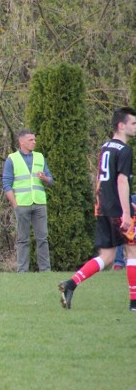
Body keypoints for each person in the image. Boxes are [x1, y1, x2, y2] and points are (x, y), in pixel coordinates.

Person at [59, 107, 136, 312]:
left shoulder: (105, 147)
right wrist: (126, 212)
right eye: (133, 123)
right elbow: (121, 181)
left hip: (102, 207)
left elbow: (105, 180)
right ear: (121, 125)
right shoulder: (125, 150)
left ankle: (71, 284)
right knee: (133, 252)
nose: (135, 127)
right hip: (118, 210)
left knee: (108, 257)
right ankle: (134, 304)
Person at [2, 129, 53, 272]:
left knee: (42, 239)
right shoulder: (12, 159)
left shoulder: (40, 157)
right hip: (22, 204)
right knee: (23, 240)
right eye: (31, 140)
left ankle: (45, 270)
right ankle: (22, 271)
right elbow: (6, 183)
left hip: (39, 203)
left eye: (34, 139)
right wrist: (15, 204)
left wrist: (45, 178)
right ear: (21, 141)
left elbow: (51, 180)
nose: (34, 142)